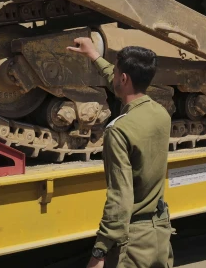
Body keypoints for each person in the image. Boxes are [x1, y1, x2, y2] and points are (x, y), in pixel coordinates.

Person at [68, 37, 174, 268]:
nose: (114, 76)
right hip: (159, 233)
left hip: (132, 244)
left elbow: (120, 199)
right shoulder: (160, 114)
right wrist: (94, 56)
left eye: (116, 72)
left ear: (124, 78)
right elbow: (120, 84)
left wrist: (100, 250)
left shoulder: (119, 131)